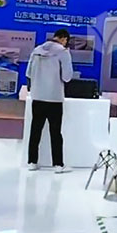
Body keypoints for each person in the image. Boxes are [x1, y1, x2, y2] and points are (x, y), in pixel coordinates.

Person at [25, 28, 74, 173]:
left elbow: (29, 73)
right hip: (54, 97)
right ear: (64, 38)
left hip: (37, 96)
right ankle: (58, 165)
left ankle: (32, 162)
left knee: (35, 130)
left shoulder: (36, 50)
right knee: (55, 132)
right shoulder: (63, 52)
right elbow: (67, 77)